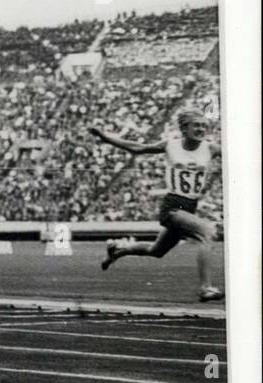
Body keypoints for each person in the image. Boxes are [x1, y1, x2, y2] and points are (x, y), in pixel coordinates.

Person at [89, 109, 224, 301]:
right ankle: (206, 287)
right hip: (173, 206)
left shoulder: (211, 148)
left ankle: (118, 249)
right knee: (207, 233)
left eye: (204, 125)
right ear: (184, 128)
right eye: (197, 125)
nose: (201, 129)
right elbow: (137, 147)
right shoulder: (171, 145)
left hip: (190, 206)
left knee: (156, 251)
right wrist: (105, 137)